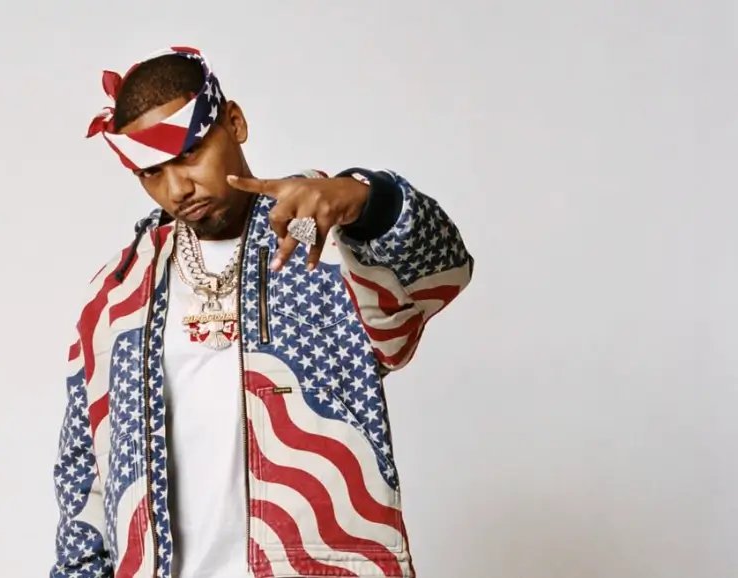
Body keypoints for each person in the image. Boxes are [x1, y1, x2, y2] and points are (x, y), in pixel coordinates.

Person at [49, 46, 474, 578]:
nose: (177, 187)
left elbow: (441, 274)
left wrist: (365, 201)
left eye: (188, 154)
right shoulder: (117, 295)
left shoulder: (331, 245)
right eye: (152, 172)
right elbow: (83, 476)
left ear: (235, 122)